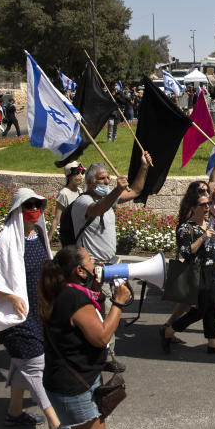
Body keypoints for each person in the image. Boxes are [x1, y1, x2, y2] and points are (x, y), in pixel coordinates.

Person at [27, 246, 131, 429]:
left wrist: (98, 291)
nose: (95, 262)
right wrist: (119, 302)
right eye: (89, 259)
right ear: (79, 270)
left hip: (69, 379)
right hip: (74, 386)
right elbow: (102, 336)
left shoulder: (66, 291)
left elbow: (90, 323)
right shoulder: (74, 298)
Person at [0, 189, 71, 429]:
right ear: (17, 210)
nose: (34, 209)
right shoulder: (5, 239)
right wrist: (11, 298)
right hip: (16, 315)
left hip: (39, 312)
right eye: (28, 205)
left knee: (22, 361)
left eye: (38, 204)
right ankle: (55, 425)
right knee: (36, 365)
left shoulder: (39, 235)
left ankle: (14, 412)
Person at [70, 155, 151, 373]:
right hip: (93, 270)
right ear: (90, 182)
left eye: (107, 179)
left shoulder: (109, 198)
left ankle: (104, 354)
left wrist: (143, 167)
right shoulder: (83, 202)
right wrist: (116, 190)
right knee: (104, 314)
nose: (106, 182)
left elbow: (135, 191)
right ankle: (104, 357)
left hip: (110, 266)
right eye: (102, 179)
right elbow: (99, 209)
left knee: (110, 310)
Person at [162, 189, 215, 354]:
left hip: (213, 271)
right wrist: (202, 238)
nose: (207, 207)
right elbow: (186, 252)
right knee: (200, 310)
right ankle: (169, 330)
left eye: (208, 203)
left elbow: (214, 249)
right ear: (194, 208)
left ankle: (212, 343)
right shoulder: (185, 228)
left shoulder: (211, 223)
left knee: (212, 307)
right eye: (202, 205)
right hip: (197, 272)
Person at [48, 162, 85, 240]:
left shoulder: (80, 191)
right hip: (69, 234)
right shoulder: (64, 193)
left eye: (82, 172)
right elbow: (57, 219)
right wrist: (48, 239)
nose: (80, 175)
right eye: (77, 173)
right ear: (69, 176)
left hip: (80, 233)